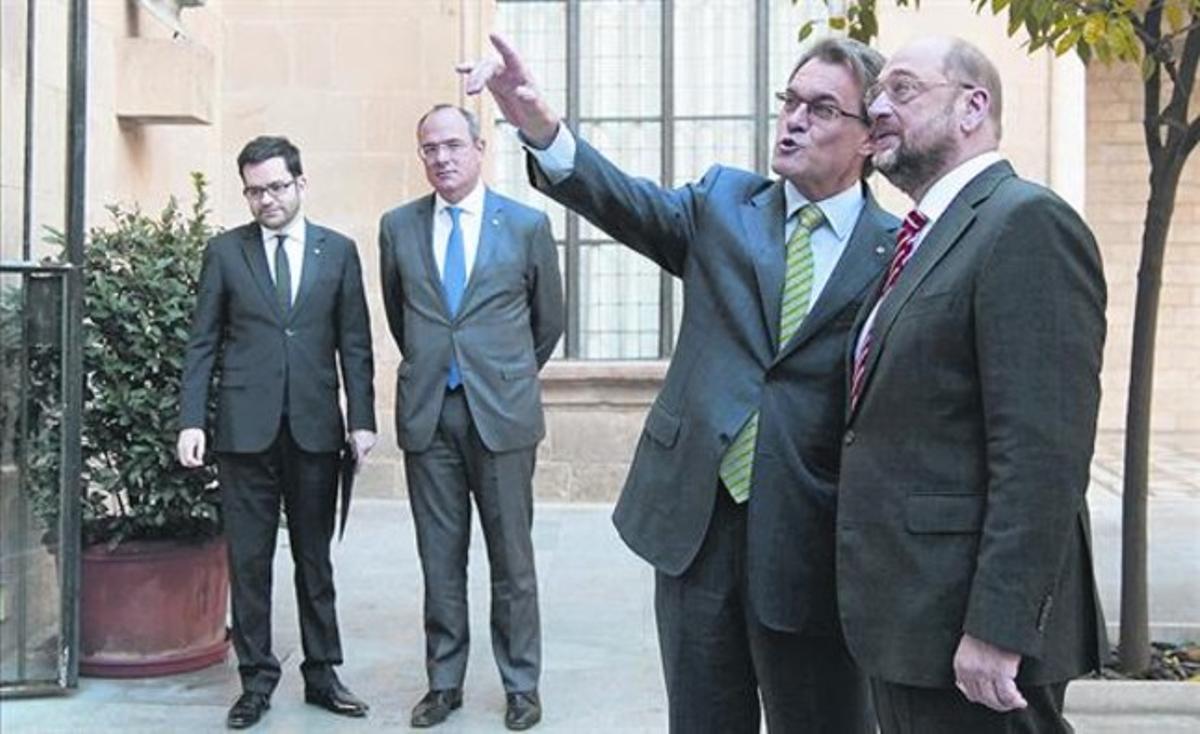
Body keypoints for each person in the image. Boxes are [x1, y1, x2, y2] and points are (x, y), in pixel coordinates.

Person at [462, 34, 896, 733]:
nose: (792, 120)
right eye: (789, 100)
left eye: (821, 109)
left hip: (813, 534)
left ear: (871, 138)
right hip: (699, 522)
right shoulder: (726, 203)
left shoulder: (898, 248)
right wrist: (537, 124)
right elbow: (623, 202)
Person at [836, 36, 1108, 734]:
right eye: (876, 96)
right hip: (909, 619)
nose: (879, 109)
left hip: (974, 640)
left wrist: (999, 627)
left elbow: (1043, 453)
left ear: (972, 107)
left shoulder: (1025, 223)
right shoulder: (925, 234)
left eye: (902, 90)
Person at [177, 136, 377, 730]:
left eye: (277, 187)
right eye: (255, 190)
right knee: (251, 562)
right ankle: (256, 680)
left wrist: (361, 419)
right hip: (244, 433)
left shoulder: (337, 252)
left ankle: (322, 673)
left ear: (300, 184)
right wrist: (193, 420)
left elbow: (356, 346)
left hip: (315, 430)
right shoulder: (225, 253)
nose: (266, 200)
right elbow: (202, 343)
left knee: (315, 560)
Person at [378, 104, 564, 731]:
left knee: (512, 558)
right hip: (430, 415)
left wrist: (502, 372)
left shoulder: (526, 225)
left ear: (480, 148)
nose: (442, 158)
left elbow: (548, 323)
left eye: (453, 145)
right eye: (430, 148)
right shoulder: (398, 228)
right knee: (440, 557)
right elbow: (401, 317)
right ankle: (444, 682)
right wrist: (440, 365)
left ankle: (520, 684)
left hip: (503, 416)